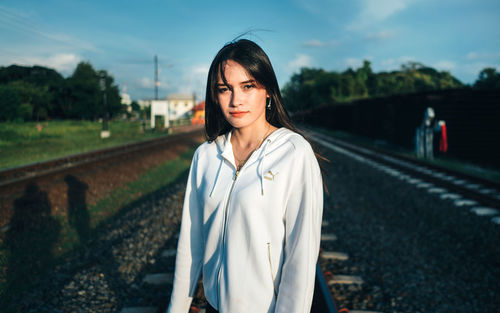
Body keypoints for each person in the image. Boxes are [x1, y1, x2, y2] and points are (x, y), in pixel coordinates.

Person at [166, 39, 323, 313]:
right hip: (214, 307)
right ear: (214, 96)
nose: (236, 100)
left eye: (247, 86)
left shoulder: (294, 153)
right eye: (224, 89)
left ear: (268, 91)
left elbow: (301, 257)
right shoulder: (205, 156)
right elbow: (190, 244)